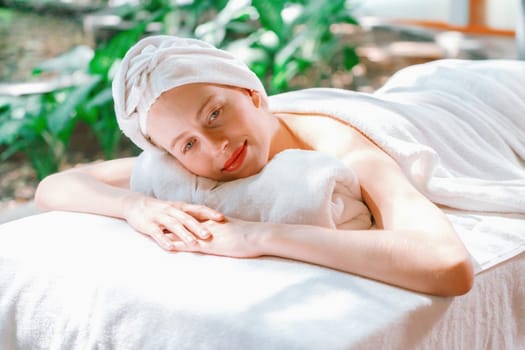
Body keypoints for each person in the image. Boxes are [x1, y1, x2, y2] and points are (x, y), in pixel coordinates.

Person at [35, 35, 525, 297]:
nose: (214, 145)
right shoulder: (195, 161)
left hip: (487, 100)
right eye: (186, 144)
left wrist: (255, 236)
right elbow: (55, 185)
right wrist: (136, 207)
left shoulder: (344, 144)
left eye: (215, 112)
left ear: (252, 93)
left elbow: (448, 266)